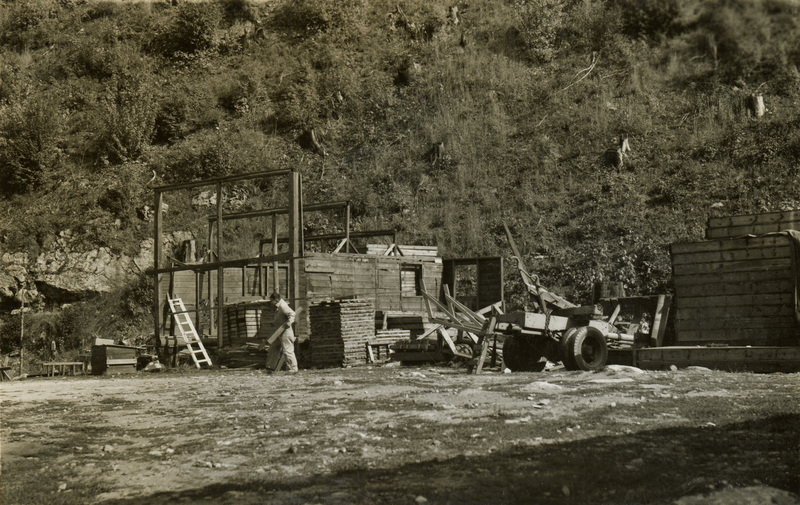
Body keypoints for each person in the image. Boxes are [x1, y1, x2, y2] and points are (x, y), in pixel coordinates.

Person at [266, 292, 298, 373]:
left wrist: (289, 322)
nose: (271, 302)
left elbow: (292, 314)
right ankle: (270, 367)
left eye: (271, 300)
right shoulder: (278, 306)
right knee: (274, 348)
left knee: (287, 350)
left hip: (285, 332)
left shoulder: (283, 306)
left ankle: (293, 369)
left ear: (276, 300)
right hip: (279, 332)